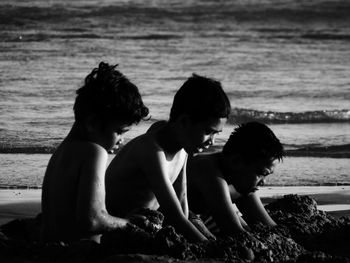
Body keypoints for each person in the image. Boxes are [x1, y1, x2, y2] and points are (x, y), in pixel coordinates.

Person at [105, 74, 231, 242]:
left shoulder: (181, 145)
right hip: (120, 226)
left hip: (152, 220)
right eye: (209, 132)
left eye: (216, 134)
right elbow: (175, 215)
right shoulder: (151, 150)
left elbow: (181, 199)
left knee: (197, 224)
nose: (212, 141)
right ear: (185, 122)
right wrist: (205, 246)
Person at [40, 62, 149, 243]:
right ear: (92, 124)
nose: (121, 140)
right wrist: (128, 224)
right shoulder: (94, 152)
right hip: (78, 253)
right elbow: (91, 220)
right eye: (120, 132)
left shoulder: (62, 152)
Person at [187, 122, 285, 237]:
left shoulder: (241, 180)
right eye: (261, 173)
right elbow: (233, 231)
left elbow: (266, 224)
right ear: (236, 161)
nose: (264, 182)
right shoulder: (210, 174)